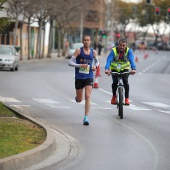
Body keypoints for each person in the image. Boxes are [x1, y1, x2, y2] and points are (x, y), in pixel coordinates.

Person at [68, 35, 99, 125]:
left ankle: (86, 118)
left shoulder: (93, 52)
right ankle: (77, 98)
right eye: (85, 40)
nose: (86, 42)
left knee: (88, 96)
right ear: (83, 41)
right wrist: (79, 65)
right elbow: (70, 63)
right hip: (79, 77)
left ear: (90, 41)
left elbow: (97, 62)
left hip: (89, 76)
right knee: (80, 99)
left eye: (88, 40)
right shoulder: (78, 51)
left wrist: (95, 66)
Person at [105, 38, 136, 105]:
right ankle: (113, 97)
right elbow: (109, 60)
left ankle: (127, 99)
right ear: (118, 44)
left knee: (125, 81)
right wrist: (107, 69)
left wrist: (133, 69)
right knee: (115, 82)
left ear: (126, 45)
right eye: (120, 45)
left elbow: (131, 60)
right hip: (115, 69)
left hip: (125, 69)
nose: (122, 47)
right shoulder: (113, 51)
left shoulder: (129, 51)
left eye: (123, 46)